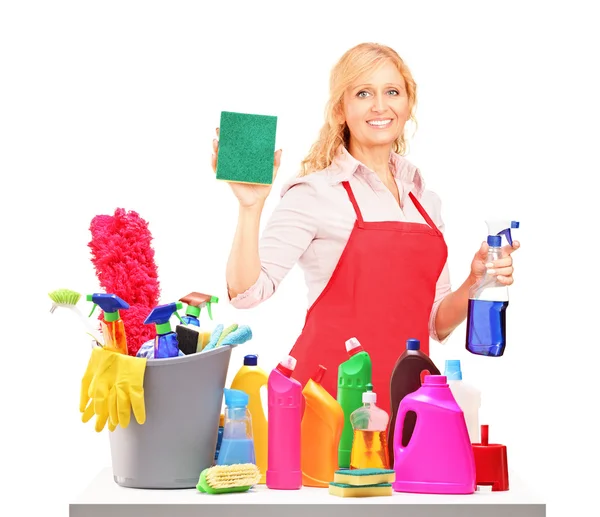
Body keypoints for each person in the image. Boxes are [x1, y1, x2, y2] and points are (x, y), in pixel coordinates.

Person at [211, 42, 519, 415]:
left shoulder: (425, 200)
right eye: (363, 93)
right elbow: (247, 293)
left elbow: (435, 322)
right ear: (341, 109)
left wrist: (475, 282)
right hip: (327, 403)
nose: (379, 106)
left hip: (407, 401)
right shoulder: (314, 192)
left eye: (392, 92)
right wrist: (250, 207)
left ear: (408, 106)